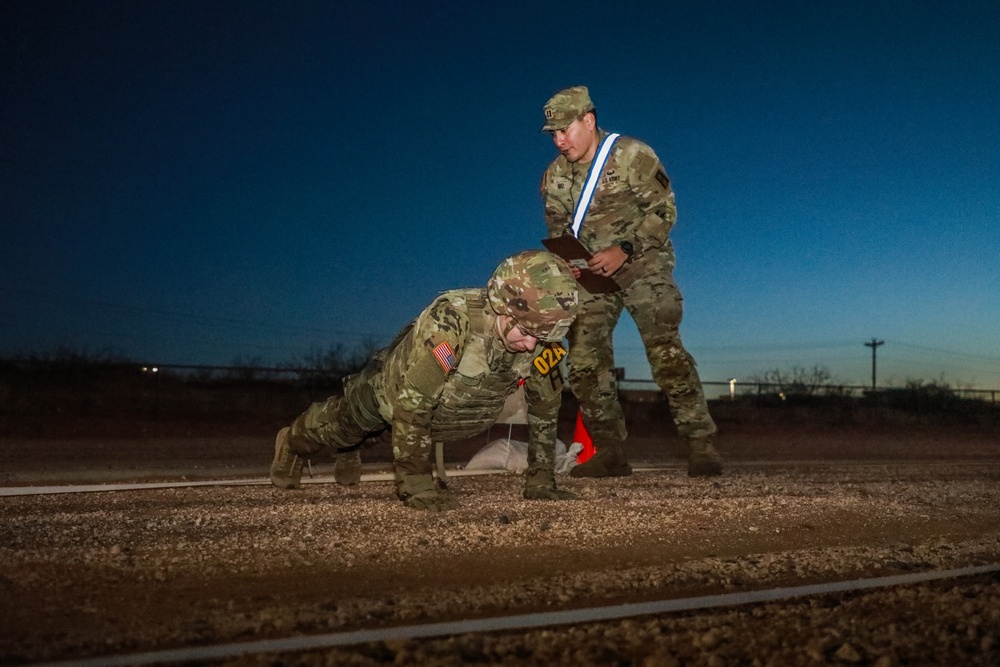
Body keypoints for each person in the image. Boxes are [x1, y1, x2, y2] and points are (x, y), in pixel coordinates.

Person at [270, 250, 580, 511]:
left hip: (450, 413)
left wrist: (541, 479)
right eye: (525, 333)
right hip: (390, 396)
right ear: (504, 310)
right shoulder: (452, 322)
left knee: (377, 434)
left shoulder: (541, 339)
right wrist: (417, 486)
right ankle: (293, 443)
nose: (531, 345)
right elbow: (413, 404)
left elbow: (545, 408)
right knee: (344, 429)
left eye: (539, 337)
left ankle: (354, 447)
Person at [539, 85, 721, 478]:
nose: (558, 141)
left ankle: (699, 443)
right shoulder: (554, 177)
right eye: (552, 134)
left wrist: (625, 247)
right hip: (592, 277)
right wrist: (567, 263)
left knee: (665, 351)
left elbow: (664, 211)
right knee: (585, 362)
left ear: (588, 120)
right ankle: (610, 451)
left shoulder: (631, 155)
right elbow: (557, 227)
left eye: (564, 130)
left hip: (643, 265)